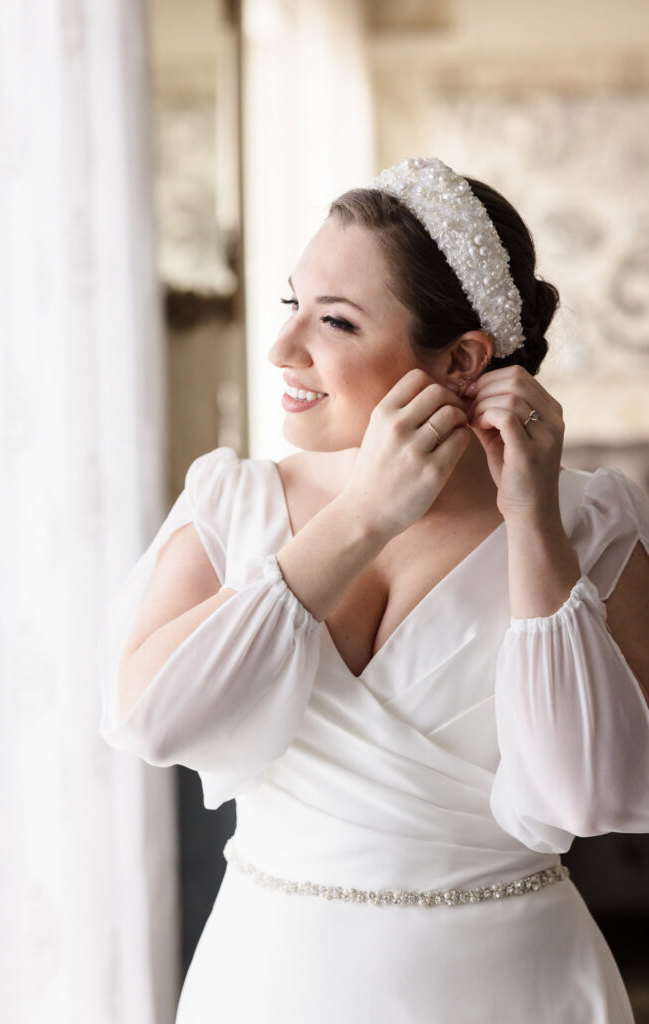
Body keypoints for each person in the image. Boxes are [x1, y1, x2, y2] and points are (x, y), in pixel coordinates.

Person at [99, 157, 649, 1023]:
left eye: (336, 322)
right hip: (265, 984)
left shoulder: (589, 523)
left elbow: (587, 796)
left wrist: (531, 517)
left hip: (514, 990)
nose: (283, 349)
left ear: (463, 358)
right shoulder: (229, 500)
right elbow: (151, 724)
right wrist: (359, 517)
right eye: (292, 307)